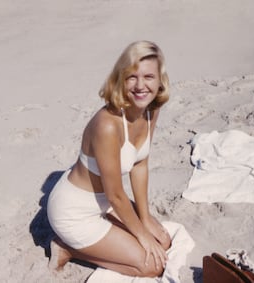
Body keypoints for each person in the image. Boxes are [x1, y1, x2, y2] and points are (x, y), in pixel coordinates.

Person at [46, 40, 172, 278]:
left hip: (107, 203)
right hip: (75, 212)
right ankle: (68, 247)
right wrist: (142, 236)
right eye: (132, 77)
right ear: (121, 79)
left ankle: (107, 238)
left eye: (148, 77)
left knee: (163, 242)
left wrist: (144, 219)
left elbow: (140, 163)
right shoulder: (106, 125)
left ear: (159, 80)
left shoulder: (150, 110)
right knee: (152, 265)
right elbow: (115, 193)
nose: (141, 85)